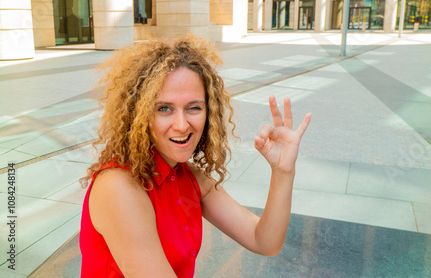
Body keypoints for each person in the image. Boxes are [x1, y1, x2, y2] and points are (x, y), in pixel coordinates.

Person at [79, 35, 311, 278]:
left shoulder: (189, 176)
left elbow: (264, 241)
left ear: (208, 113)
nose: (181, 124)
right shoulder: (118, 186)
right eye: (164, 108)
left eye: (194, 108)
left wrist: (283, 172)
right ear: (140, 114)